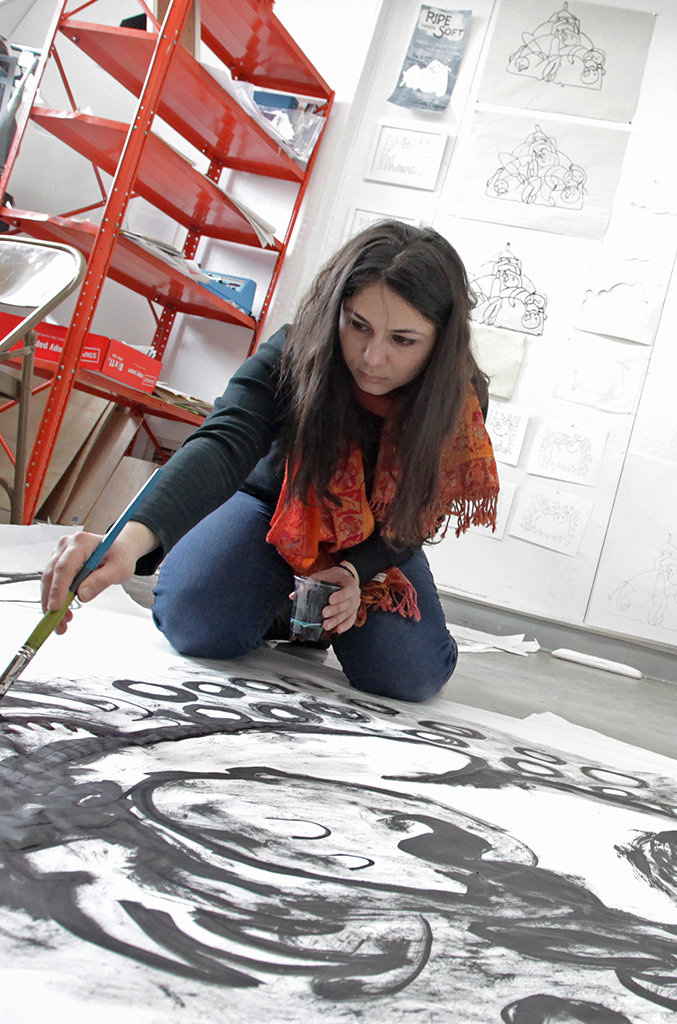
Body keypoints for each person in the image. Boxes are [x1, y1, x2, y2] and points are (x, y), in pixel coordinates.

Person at [40, 222, 498, 702]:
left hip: (377, 538)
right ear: (335, 308)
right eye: (357, 324)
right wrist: (130, 539)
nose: (372, 357)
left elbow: (420, 512)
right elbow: (223, 441)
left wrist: (357, 570)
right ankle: (284, 609)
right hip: (270, 510)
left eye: (403, 340)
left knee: (407, 674)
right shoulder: (297, 351)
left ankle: (313, 614)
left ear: (440, 342)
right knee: (195, 620)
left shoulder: (458, 403)